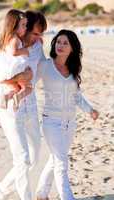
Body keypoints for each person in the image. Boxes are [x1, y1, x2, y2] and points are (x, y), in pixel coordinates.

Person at [35, 29, 99, 200]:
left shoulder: (72, 69)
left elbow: (76, 96)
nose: (60, 45)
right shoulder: (45, 66)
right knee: (61, 164)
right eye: (58, 42)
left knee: (55, 159)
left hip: (70, 124)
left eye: (65, 43)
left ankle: (41, 193)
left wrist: (90, 110)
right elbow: (29, 81)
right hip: (51, 123)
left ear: (72, 48)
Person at [0, 10, 47, 200]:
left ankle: (2, 190)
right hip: (9, 106)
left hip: (30, 103)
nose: (40, 39)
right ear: (23, 29)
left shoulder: (38, 47)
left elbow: (42, 69)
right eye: (36, 33)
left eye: (41, 34)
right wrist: (18, 78)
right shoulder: (4, 44)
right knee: (22, 158)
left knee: (34, 156)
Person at [0, 9, 32, 110]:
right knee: (28, 88)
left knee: (15, 88)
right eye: (23, 25)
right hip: (15, 69)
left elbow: (1, 39)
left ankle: (7, 98)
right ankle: (17, 98)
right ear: (14, 25)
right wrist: (25, 51)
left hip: (7, 71)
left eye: (26, 25)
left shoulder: (7, 37)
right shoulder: (14, 38)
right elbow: (13, 52)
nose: (25, 28)